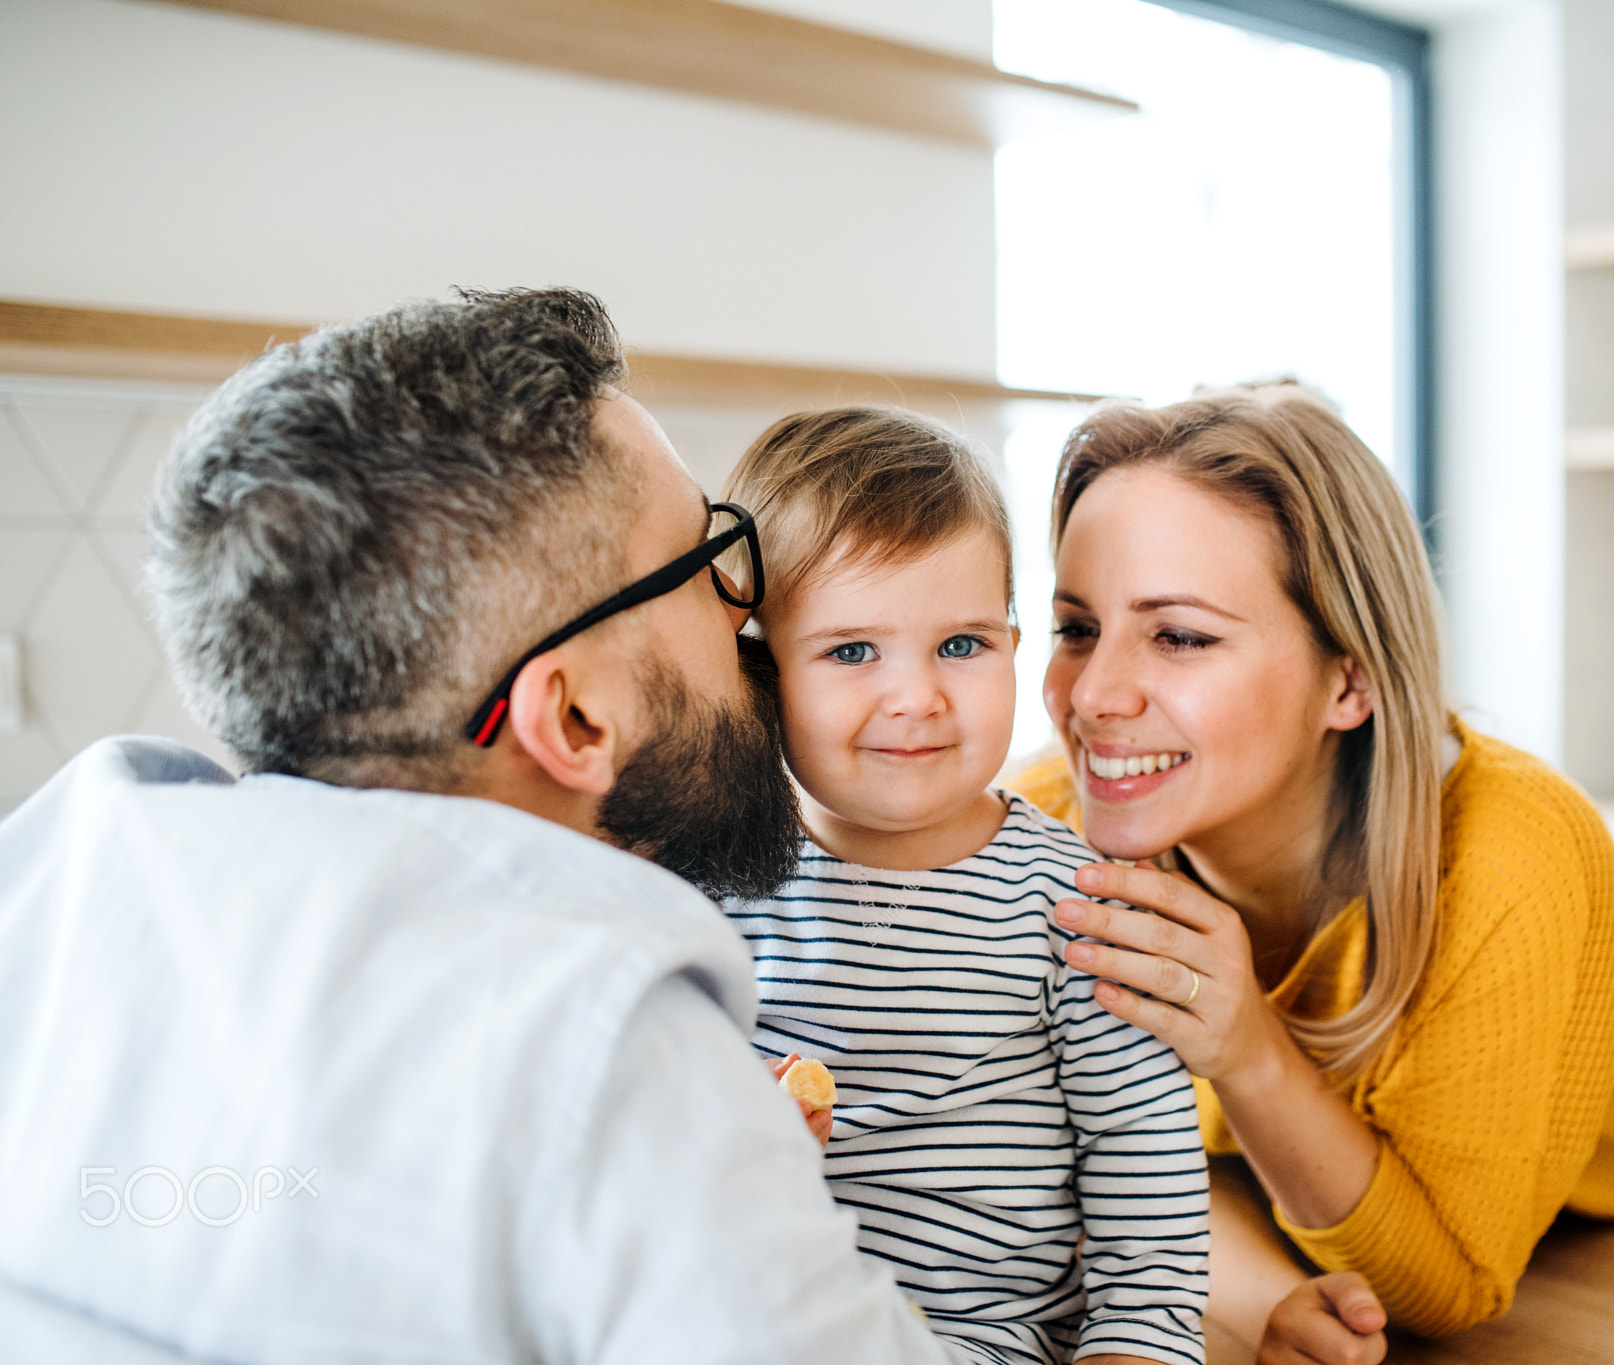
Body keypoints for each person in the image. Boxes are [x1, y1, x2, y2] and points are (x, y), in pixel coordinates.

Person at [0, 290, 953, 1362]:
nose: (747, 610)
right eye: (704, 564)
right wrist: (710, 1177)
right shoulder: (615, 1042)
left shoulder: (58, 873)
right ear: (575, 716)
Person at [1012, 384, 1614, 1356]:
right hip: (1267, 1176)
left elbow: (1441, 1287)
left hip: (1599, 1174)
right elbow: (1061, 1170)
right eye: (1076, 628)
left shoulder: (1512, 855)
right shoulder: (1042, 823)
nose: (1090, 696)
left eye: (1178, 636)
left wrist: (1248, 1045)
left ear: (1347, 679)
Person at [720, 408, 1209, 1365]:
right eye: (852, 651)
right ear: (762, 672)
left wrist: (1136, 1347)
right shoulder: (718, 881)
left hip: (977, 1342)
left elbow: (1143, 1177)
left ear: (1015, 646)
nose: (918, 697)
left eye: (961, 645)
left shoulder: (1078, 901)